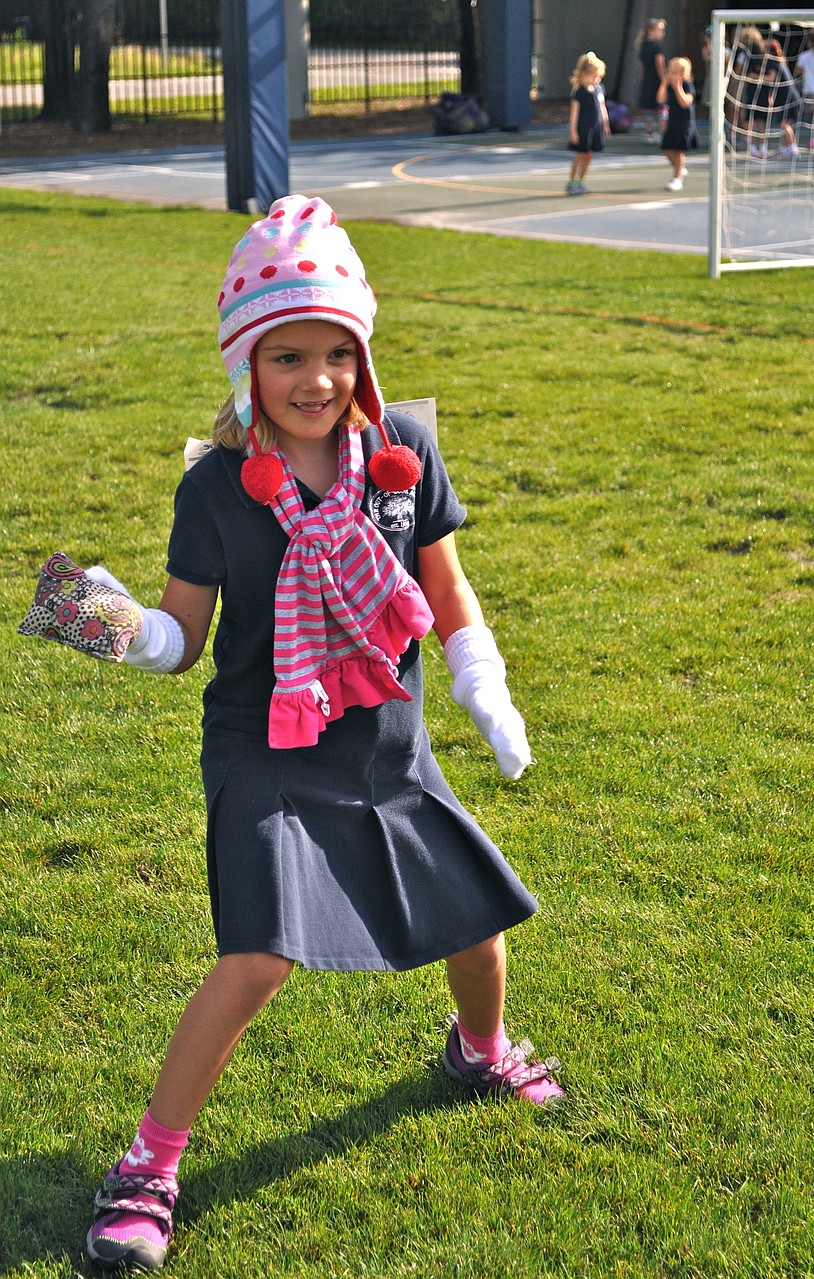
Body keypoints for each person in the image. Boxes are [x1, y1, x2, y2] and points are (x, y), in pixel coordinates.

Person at [80, 194, 564, 1274]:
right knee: (256, 958)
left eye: (335, 353)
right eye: (284, 355)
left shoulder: (403, 451)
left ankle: (476, 1051)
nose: (314, 380)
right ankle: (148, 1167)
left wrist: (481, 686)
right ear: (244, 366)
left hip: (387, 745)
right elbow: (183, 636)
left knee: (475, 923)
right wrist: (113, 625)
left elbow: (446, 589)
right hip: (264, 751)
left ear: (364, 355)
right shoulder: (214, 488)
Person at [748, 37, 803, 159]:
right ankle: (786, 147)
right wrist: (771, 96)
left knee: (784, 124)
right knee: (784, 123)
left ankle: (793, 147)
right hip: (789, 96)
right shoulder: (780, 61)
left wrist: (755, 77)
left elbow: (772, 78)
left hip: (788, 97)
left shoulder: (772, 62)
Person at [566, 51, 610, 196]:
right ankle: (572, 182)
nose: (597, 80)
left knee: (589, 155)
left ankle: (581, 181)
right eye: (594, 76)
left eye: (599, 77)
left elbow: (602, 107)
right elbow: (574, 113)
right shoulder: (579, 92)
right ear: (584, 74)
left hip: (595, 127)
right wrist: (573, 131)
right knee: (580, 154)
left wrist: (605, 123)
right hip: (583, 128)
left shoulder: (598, 89)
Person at [657, 56, 698, 190]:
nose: (672, 75)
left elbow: (685, 102)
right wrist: (664, 84)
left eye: (676, 73)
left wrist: (678, 87)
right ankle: (680, 169)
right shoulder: (668, 86)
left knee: (678, 149)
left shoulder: (687, 85)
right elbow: (660, 100)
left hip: (685, 122)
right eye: (670, 72)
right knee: (667, 149)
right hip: (672, 121)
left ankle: (676, 178)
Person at [636, 18, 667, 142]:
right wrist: (665, 82)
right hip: (657, 82)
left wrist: (643, 80)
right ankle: (662, 133)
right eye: (660, 30)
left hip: (647, 82)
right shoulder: (656, 48)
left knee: (649, 108)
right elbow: (660, 67)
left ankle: (649, 133)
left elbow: (641, 69)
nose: (662, 33)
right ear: (650, 30)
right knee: (662, 107)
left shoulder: (643, 47)